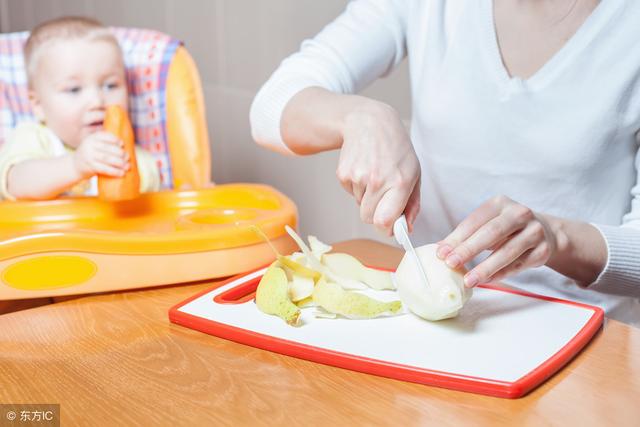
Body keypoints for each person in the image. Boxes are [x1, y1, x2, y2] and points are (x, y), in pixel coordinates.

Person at [250, 0, 640, 325]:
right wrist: (359, 117)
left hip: (586, 339)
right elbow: (270, 108)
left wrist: (557, 239)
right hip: (437, 327)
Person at [0, 16, 160, 201]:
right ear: (39, 105)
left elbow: (153, 199)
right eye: (74, 89)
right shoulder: (34, 137)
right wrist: (75, 167)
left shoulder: (129, 152)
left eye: (110, 85)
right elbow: (16, 184)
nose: (97, 101)